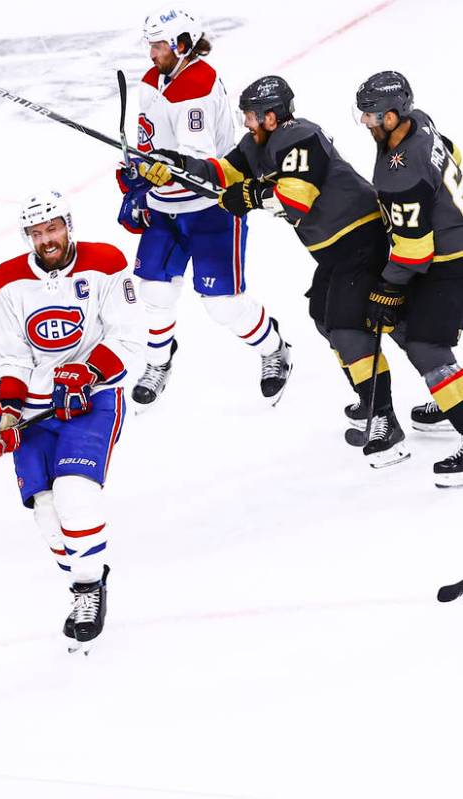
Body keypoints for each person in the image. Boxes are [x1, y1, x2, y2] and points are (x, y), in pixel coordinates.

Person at [153, 76, 410, 466]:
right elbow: (225, 173)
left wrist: (251, 196)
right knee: (324, 316)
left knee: (348, 326)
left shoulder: (300, 135)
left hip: (361, 237)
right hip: (335, 249)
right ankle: (376, 395)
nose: (246, 123)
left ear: (271, 117)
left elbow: (295, 198)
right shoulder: (257, 143)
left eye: (251, 116)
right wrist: (177, 166)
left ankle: (386, 421)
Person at [0, 191, 144, 650]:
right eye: (37, 233)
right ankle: (81, 578)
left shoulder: (106, 263)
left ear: (67, 226)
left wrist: (88, 370)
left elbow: (130, 337)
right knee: (47, 514)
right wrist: (8, 410)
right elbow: (12, 356)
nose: (46, 239)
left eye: (52, 229)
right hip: (37, 407)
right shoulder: (8, 280)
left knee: (75, 495)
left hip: (93, 401)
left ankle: (88, 589)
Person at [117, 7, 291, 408]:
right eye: (151, 44)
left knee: (222, 305)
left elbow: (193, 164)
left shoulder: (196, 84)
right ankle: (159, 362)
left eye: (159, 45)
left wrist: (164, 170)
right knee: (155, 291)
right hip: (165, 209)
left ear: (182, 44)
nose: (152, 53)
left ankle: (275, 348)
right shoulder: (152, 81)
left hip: (211, 209)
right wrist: (137, 180)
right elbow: (150, 146)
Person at [355, 71, 463, 487]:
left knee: (424, 343)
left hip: (449, 260)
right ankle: (451, 396)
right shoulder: (421, 120)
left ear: (395, 113)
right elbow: (453, 153)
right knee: (417, 328)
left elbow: (415, 250)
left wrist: (388, 287)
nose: (366, 122)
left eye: (373, 115)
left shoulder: (401, 171)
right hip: (451, 246)